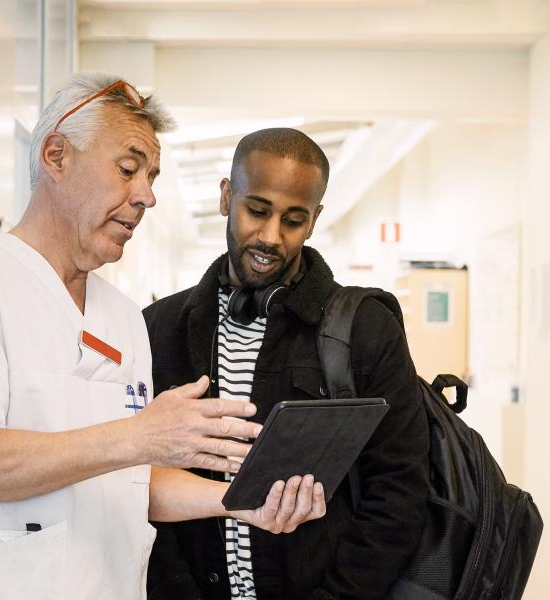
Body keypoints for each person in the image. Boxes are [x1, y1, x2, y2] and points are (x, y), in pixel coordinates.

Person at [0, 74, 327, 600]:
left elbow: (129, 481)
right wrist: (138, 437)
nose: (146, 195)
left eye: (151, 176)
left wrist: (238, 502)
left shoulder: (122, 317)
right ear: (57, 157)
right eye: (128, 169)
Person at [144, 128, 430, 600]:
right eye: (256, 211)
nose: (271, 236)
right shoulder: (159, 328)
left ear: (314, 220)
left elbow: (399, 490)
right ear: (225, 197)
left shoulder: (365, 329)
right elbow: (137, 483)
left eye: (294, 220)